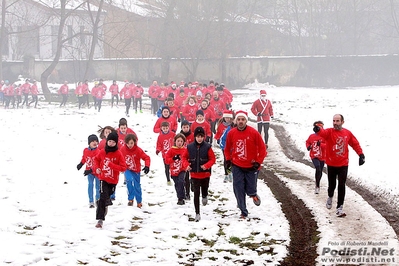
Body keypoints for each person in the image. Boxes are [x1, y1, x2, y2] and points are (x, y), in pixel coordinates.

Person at [313, 114, 365, 217]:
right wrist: (318, 129)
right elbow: (322, 132)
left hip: (343, 164)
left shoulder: (347, 133)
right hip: (331, 164)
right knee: (332, 185)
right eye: (334, 121)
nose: (335, 123)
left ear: (342, 122)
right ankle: (330, 196)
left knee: (342, 185)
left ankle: (339, 207)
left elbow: (355, 144)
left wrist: (361, 155)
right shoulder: (329, 132)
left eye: (337, 121)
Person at [224, 110, 267, 219]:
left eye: (243, 119)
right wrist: (228, 159)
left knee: (250, 189)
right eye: (238, 119)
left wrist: (258, 162)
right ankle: (243, 210)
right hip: (237, 164)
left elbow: (262, 149)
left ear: (246, 121)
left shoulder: (253, 133)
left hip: (251, 166)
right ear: (236, 121)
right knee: (238, 188)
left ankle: (253, 194)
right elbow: (227, 148)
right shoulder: (231, 133)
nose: (240, 121)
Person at [93, 132, 127, 228]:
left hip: (113, 181)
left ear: (116, 143)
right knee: (103, 196)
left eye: (113, 142)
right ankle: (100, 220)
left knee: (106, 198)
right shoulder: (103, 151)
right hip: (103, 178)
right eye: (109, 141)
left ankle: (102, 202)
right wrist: (97, 168)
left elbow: (123, 168)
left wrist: (112, 165)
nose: (111, 143)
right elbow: (96, 160)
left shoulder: (118, 153)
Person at [183, 127, 216, 222]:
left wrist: (206, 165)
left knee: (204, 190)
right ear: (195, 137)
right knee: (196, 193)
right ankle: (197, 213)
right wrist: (186, 165)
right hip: (194, 174)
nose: (200, 138)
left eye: (201, 136)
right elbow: (184, 158)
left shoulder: (207, 147)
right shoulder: (190, 147)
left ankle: (205, 195)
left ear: (204, 137)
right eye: (198, 136)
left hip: (205, 175)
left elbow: (212, 159)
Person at [120, 133, 150, 208]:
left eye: (131, 143)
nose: (129, 145)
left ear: (135, 142)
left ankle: (139, 201)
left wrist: (147, 166)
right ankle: (130, 199)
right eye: (128, 143)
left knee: (137, 186)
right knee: (129, 181)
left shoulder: (138, 150)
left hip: (136, 170)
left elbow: (146, 157)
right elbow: (118, 157)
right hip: (127, 169)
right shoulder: (123, 149)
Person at [77, 134, 100, 208]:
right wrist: (81, 164)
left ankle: (98, 200)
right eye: (93, 141)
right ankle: (91, 201)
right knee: (90, 185)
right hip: (89, 172)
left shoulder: (98, 152)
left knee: (98, 186)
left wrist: (91, 170)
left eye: (96, 141)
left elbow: (99, 164)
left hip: (97, 172)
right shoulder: (85, 150)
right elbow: (84, 158)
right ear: (89, 143)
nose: (95, 143)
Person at [165, 133, 189, 205]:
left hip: (182, 169)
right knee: (177, 184)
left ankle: (180, 198)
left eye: (181, 141)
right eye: (178, 141)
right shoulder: (171, 150)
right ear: (175, 141)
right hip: (174, 171)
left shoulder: (185, 150)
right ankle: (182, 194)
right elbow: (167, 160)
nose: (179, 143)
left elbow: (188, 159)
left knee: (181, 181)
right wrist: (173, 158)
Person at [305, 120, 326, 194]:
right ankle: (317, 186)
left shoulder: (325, 137)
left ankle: (317, 183)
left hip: (322, 156)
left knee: (320, 170)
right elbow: (307, 142)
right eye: (318, 127)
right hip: (314, 155)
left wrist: (321, 144)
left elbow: (328, 146)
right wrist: (308, 147)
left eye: (321, 127)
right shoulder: (312, 136)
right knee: (317, 167)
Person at [216, 110, 235, 182]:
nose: (227, 119)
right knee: (226, 160)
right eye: (226, 118)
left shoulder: (232, 126)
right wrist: (218, 139)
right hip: (224, 145)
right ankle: (227, 174)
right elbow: (218, 133)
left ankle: (232, 173)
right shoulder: (221, 125)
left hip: (232, 146)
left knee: (232, 160)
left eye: (229, 118)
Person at [156, 121, 176, 185]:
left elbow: (177, 140)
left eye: (166, 128)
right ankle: (168, 179)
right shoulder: (160, 136)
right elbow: (159, 144)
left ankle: (174, 176)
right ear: (161, 128)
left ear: (169, 127)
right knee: (166, 167)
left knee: (173, 166)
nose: (165, 130)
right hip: (165, 155)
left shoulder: (172, 134)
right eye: (164, 128)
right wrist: (158, 150)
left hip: (173, 153)